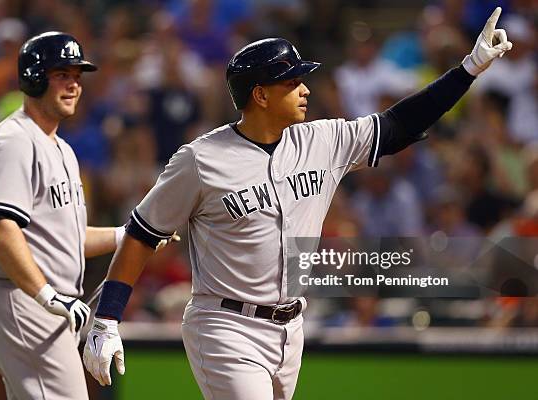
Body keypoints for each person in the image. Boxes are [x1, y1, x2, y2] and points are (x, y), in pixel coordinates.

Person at [83, 8, 512, 400]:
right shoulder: (200, 159)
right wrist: (108, 318)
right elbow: (142, 233)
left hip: (291, 327)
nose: (305, 89)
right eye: (292, 83)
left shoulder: (322, 140)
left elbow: (398, 125)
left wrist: (468, 70)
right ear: (260, 95)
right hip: (225, 324)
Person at [0, 32, 126, 400]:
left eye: (77, 76)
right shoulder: (14, 141)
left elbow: (67, 239)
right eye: (62, 74)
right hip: (21, 298)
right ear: (34, 77)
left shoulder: (63, 150)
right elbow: (0, 227)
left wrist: (128, 235)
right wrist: (46, 297)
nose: (74, 84)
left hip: (43, 303)